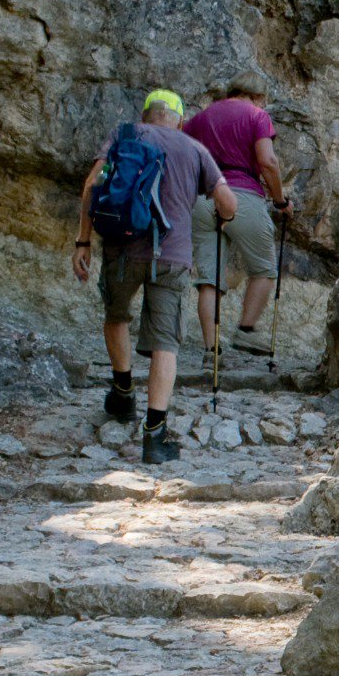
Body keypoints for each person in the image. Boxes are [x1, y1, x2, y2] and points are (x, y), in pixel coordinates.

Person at [71, 88, 232, 465]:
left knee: (116, 314)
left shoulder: (125, 135)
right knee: (165, 342)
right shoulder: (194, 149)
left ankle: (123, 389)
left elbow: (92, 187)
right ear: (178, 119)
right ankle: (154, 436)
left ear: (146, 115)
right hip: (172, 256)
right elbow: (227, 203)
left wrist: (82, 242)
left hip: (121, 248)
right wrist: (224, 215)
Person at [182, 81, 288, 361]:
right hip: (242, 195)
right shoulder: (256, 115)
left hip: (204, 197)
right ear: (257, 96)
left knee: (209, 280)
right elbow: (268, 162)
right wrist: (280, 200)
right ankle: (245, 329)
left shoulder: (202, 118)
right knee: (264, 267)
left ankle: (211, 351)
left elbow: (182, 149)